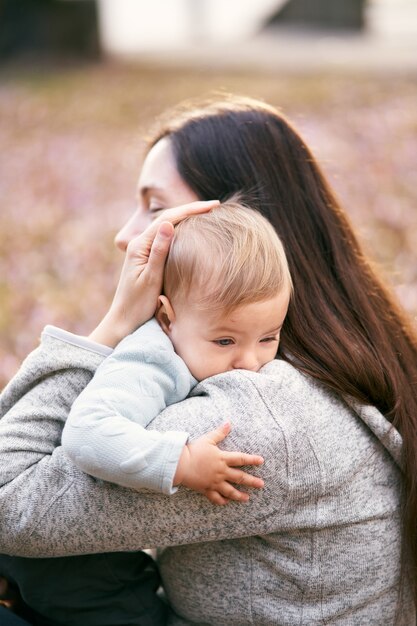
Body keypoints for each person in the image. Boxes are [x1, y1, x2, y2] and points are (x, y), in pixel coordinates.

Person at [0, 95, 417, 625]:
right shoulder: (311, 371)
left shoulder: (259, 412)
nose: (126, 235)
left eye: (156, 208)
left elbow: (6, 500)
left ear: (237, 233)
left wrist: (109, 329)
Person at [0, 202, 290, 626]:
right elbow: (88, 432)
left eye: (268, 338)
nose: (250, 361)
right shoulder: (149, 361)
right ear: (166, 317)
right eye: (225, 341)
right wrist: (182, 462)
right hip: (75, 572)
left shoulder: (197, 343)